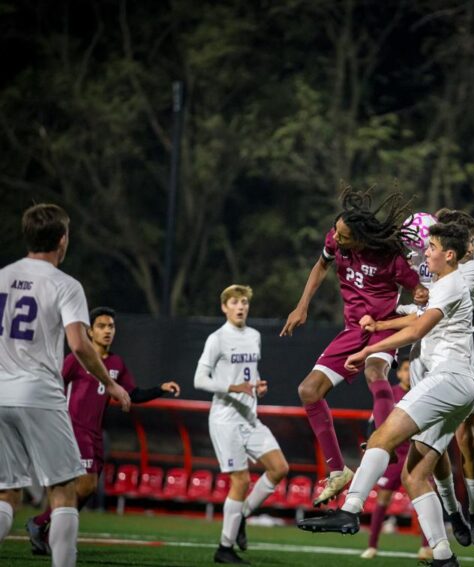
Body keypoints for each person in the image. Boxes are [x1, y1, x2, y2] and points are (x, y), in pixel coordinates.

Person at [297, 222, 474, 567]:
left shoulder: (451, 285)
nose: (426, 252)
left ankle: (349, 511)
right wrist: (379, 325)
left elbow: (418, 329)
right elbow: (414, 315)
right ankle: (443, 556)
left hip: (446, 381)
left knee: (381, 438)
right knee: (414, 476)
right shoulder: (445, 285)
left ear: (449, 255)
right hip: (459, 385)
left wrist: (368, 350)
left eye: (432, 247)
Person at [0, 203, 131, 567]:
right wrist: (111, 383)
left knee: (6, 492)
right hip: (39, 393)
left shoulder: (2, 276)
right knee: (64, 490)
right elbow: (78, 343)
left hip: (0, 394)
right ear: (61, 239)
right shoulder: (64, 284)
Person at [280, 187, 426, 506]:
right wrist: (302, 305)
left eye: (343, 235)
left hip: (381, 328)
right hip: (351, 330)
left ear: (360, 238)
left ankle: (385, 444)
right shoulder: (336, 241)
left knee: (375, 371)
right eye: (336, 231)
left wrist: (420, 295)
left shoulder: (391, 260)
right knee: (308, 391)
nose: (335, 237)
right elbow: (321, 265)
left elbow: (421, 292)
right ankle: (337, 472)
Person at [26, 306, 181, 555]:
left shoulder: (117, 363)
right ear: (90, 331)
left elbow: (132, 394)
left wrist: (160, 388)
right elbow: (53, 385)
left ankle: (42, 525)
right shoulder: (76, 359)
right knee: (85, 486)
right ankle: (42, 524)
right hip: (74, 429)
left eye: (111, 326)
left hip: (96, 432)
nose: (107, 331)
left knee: (87, 490)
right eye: (101, 326)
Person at [195, 285, 289, 565]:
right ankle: (224, 548)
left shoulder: (254, 336)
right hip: (225, 420)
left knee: (280, 468)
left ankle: (242, 515)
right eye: (235, 302)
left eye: (244, 302)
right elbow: (199, 379)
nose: (240, 307)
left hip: (249, 418)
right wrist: (232, 386)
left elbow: (250, 372)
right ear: (224, 307)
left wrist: (256, 385)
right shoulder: (217, 339)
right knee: (241, 480)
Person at [430, 209, 474, 547]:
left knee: (466, 437)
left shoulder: (472, 266)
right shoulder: (434, 250)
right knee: (433, 443)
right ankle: (453, 512)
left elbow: (429, 303)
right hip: (425, 356)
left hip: (457, 354)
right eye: (470, 241)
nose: (473, 247)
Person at [360, 357, 432, 561]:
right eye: (406, 369)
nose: (409, 373)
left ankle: (427, 546)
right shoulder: (388, 393)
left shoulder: (425, 394)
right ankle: (372, 546)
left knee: (424, 497)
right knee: (383, 498)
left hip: (417, 453)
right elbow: (373, 423)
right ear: (399, 372)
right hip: (394, 454)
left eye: (413, 369)